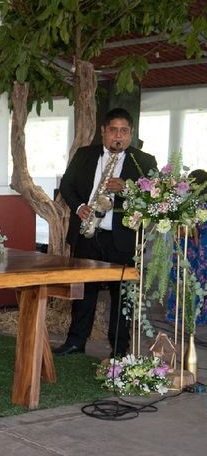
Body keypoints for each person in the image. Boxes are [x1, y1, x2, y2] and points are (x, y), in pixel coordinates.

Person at [55, 108, 158, 358]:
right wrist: (79, 207)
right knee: (83, 293)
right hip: (87, 234)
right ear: (104, 131)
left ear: (131, 134)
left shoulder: (144, 161)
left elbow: (154, 198)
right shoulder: (84, 154)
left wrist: (127, 189)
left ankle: (119, 350)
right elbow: (67, 185)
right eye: (113, 130)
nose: (118, 136)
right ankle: (76, 342)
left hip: (121, 239)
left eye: (124, 131)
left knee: (122, 296)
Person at [167, 169, 207, 325]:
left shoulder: (187, 202)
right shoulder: (197, 203)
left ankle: (179, 311)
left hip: (188, 245)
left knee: (183, 278)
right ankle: (196, 313)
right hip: (198, 246)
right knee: (197, 280)